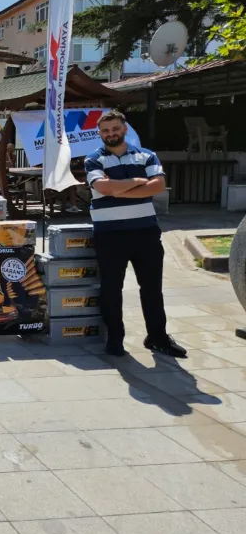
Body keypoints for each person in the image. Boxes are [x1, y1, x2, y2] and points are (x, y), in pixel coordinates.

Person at [84, 110, 186, 359]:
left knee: (152, 288)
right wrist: (139, 182)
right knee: (111, 289)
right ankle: (115, 339)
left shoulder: (146, 155)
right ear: (100, 134)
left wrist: (118, 191)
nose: (111, 134)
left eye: (115, 129)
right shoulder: (93, 159)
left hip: (145, 233)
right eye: (106, 131)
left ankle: (157, 337)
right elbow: (103, 186)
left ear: (124, 129)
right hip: (110, 235)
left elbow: (158, 186)